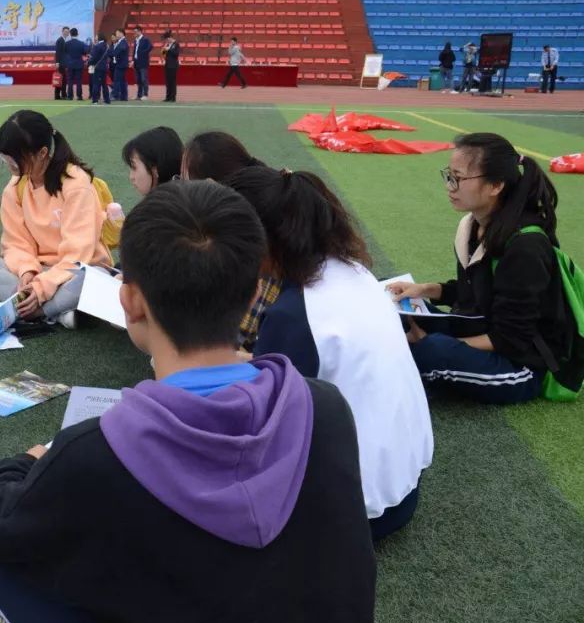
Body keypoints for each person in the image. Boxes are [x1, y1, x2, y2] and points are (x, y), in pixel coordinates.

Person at [0, 180, 376, 623]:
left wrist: (20, 467)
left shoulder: (94, 452)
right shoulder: (325, 407)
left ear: (130, 300)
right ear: (251, 294)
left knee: (3, 560)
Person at [223, 167, 433, 540]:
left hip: (352, 512)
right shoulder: (353, 272)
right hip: (402, 488)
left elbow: (259, 427)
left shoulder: (294, 313)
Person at [386, 133, 571, 405]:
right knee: (392, 301)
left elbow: (511, 339)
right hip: (480, 328)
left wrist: (427, 340)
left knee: (431, 350)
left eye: (458, 178)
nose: (450, 186)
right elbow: (473, 290)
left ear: (495, 185)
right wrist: (424, 290)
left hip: (520, 367)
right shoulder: (472, 225)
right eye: (449, 175)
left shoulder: (526, 247)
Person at [0, 110, 111, 330]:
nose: (9, 165)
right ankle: (53, 312)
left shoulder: (76, 184)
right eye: (5, 158)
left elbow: (78, 252)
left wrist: (43, 288)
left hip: (74, 271)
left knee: (93, 279)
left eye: (14, 159)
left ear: (42, 153)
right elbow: (16, 243)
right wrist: (27, 273)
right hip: (37, 271)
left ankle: (30, 310)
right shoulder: (15, 188)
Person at [182, 131, 272, 351]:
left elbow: (239, 336)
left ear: (211, 186)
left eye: (185, 181)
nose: (182, 191)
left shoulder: (249, 237)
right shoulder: (255, 211)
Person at [121, 126, 183, 195]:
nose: (131, 177)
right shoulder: (189, 196)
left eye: (134, 167)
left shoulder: (161, 204)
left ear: (156, 169)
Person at [64, 27, 88, 101]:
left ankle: (70, 96)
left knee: (70, 80)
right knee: (79, 81)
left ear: (70, 34)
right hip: (79, 64)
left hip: (70, 64)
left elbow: (65, 53)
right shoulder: (81, 43)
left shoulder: (67, 43)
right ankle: (79, 96)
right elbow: (85, 52)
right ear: (77, 34)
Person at [88, 32, 112, 105]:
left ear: (99, 37)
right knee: (104, 84)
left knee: (95, 84)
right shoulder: (107, 46)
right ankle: (107, 99)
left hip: (97, 67)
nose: (95, 37)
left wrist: (89, 62)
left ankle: (95, 100)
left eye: (96, 36)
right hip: (104, 67)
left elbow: (93, 58)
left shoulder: (97, 46)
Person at [132, 25, 152, 101]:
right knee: (138, 80)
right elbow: (134, 51)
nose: (134, 33)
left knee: (144, 79)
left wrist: (143, 53)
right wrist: (133, 60)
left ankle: (145, 94)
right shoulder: (136, 40)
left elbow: (150, 47)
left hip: (143, 62)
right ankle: (139, 95)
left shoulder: (145, 39)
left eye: (136, 32)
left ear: (140, 31)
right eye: (134, 32)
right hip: (136, 62)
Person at [111, 28, 129, 101]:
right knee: (122, 80)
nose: (116, 35)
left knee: (117, 80)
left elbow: (121, 49)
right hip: (121, 64)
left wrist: (114, 52)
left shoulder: (123, 41)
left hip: (121, 64)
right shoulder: (121, 41)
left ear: (122, 33)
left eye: (117, 33)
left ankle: (115, 95)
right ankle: (123, 96)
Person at [162, 30, 180, 102]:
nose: (166, 41)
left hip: (173, 65)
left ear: (169, 38)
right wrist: (163, 50)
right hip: (167, 65)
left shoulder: (176, 44)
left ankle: (173, 97)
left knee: (172, 82)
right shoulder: (167, 44)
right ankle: (168, 96)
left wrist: (169, 49)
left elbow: (176, 54)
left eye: (167, 39)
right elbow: (163, 54)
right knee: (167, 82)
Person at [53, 26, 69, 100]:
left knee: (61, 79)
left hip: (63, 63)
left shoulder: (64, 40)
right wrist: (57, 62)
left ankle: (58, 95)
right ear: (62, 32)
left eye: (68, 32)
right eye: (65, 31)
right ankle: (62, 95)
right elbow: (57, 53)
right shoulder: (60, 40)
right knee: (61, 79)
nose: (67, 33)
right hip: (60, 64)